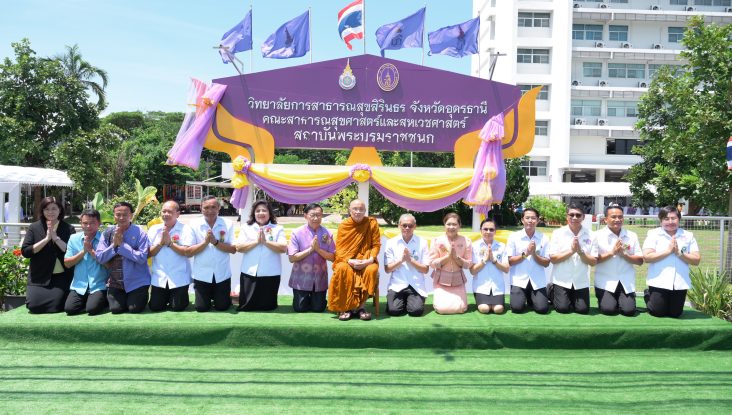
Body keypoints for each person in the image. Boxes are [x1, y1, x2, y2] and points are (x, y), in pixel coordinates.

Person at [642, 206, 701, 318]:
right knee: (657, 312)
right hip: (658, 281)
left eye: (673, 218)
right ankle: (647, 295)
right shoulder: (653, 234)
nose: (670, 222)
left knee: (675, 314)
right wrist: (668, 251)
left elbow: (696, 260)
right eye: (666, 219)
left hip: (679, 282)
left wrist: (680, 253)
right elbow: (647, 257)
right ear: (661, 221)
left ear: (679, 219)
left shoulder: (688, 236)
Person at [328, 199, 380, 321]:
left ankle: (361, 307)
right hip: (347, 259)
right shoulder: (344, 225)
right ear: (349, 210)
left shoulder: (371, 223)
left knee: (371, 270)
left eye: (361, 209)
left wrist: (369, 260)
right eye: (355, 209)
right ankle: (346, 307)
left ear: (365, 210)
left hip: (366, 259)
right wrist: (349, 260)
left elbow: (376, 245)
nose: (358, 212)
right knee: (342, 269)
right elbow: (339, 249)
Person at [20, 196, 75, 313]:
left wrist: (56, 238)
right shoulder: (34, 227)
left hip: (61, 276)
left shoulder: (68, 228)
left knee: (56, 307)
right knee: (33, 306)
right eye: (47, 209)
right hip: (39, 276)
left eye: (54, 208)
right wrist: (46, 239)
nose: (50, 212)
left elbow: (71, 251)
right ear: (42, 211)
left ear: (60, 210)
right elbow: (26, 251)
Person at [96, 202, 151, 314]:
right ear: (114, 215)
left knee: (134, 309)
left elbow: (142, 258)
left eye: (125, 215)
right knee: (116, 309)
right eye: (118, 214)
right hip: (116, 282)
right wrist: (114, 245)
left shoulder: (140, 233)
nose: (121, 218)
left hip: (137, 282)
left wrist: (122, 245)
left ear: (131, 215)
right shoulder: (107, 233)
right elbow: (100, 258)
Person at [591, 205, 643, 316]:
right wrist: (612, 253)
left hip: (625, 281)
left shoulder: (632, 235)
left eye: (620, 217)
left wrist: (624, 255)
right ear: (605, 219)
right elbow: (593, 261)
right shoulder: (596, 236)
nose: (617, 219)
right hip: (605, 281)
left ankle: (625, 301)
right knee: (608, 310)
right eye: (613, 217)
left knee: (629, 311)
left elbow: (640, 261)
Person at [235, 200, 287, 311]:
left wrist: (265, 242)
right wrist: (256, 242)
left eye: (264, 210)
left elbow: (283, 248)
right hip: (249, 272)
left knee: (268, 307)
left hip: (270, 274)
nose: (261, 213)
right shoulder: (246, 227)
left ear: (270, 213)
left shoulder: (277, 228)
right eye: (258, 211)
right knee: (247, 307)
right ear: (253, 213)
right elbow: (239, 247)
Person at [188, 196, 236, 312]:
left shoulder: (228, 224)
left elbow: (233, 249)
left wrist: (215, 242)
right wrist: (205, 242)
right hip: (202, 274)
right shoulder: (193, 224)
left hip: (222, 274)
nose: (210, 211)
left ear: (219, 208)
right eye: (206, 207)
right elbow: (189, 252)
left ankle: (224, 298)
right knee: (201, 308)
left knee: (222, 307)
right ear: (201, 208)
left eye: (213, 207)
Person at [548, 204, 597, 314]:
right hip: (561, 280)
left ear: (583, 217)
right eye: (571, 215)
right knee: (562, 308)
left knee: (583, 310)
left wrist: (580, 252)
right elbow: (553, 259)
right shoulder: (558, 233)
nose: (574, 218)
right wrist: (571, 251)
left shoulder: (591, 235)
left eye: (578, 215)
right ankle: (550, 291)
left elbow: (593, 262)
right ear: (567, 216)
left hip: (581, 281)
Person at [147, 200, 195, 312]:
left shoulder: (185, 229)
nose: (166, 214)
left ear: (178, 214)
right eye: (164, 211)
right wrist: (160, 243)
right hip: (159, 277)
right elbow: (148, 254)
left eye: (170, 212)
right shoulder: (154, 229)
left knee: (178, 307)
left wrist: (170, 244)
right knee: (155, 307)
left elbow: (187, 252)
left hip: (179, 277)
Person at [287, 203, 335, 312]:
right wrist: (310, 250)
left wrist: (318, 250)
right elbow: (292, 258)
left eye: (318, 215)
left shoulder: (327, 233)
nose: (316, 218)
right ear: (305, 216)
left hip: (319, 277)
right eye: (312, 215)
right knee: (300, 308)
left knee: (318, 308)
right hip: (301, 278)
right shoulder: (296, 233)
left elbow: (333, 257)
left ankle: (316, 300)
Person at [63, 209, 109, 315]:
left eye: (92, 223)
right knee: (70, 309)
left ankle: (103, 299)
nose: (88, 226)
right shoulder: (73, 239)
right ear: (81, 223)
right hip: (79, 286)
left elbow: (109, 265)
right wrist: (83, 251)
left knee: (92, 309)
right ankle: (89, 301)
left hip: (98, 285)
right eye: (85, 223)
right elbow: (67, 263)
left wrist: (92, 251)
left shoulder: (105, 239)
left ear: (99, 223)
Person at [383, 213, 430, 317]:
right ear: (399, 226)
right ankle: (401, 301)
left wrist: (410, 260)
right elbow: (387, 269)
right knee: (393, 311)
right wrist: (401, 260)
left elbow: (426, 269)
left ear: (415, 226)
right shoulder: (391, 242)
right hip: (397, 284)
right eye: (404, 225)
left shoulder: (422, 242)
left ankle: (411, 301)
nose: (407, 228)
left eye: (410, 225)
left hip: (415, 285)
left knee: (415, 311)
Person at [507, 208, 551, 314]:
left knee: (542, 309)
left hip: (537, 280)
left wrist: (534, 254)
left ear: (538, 220)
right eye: (527, 218)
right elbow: (510, 261)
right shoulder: (514, 237)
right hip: (519, 280)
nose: (530, 221)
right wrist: (526, 254)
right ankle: (526, 297)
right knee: (517, 308)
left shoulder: (543, 238)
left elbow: (546, 263)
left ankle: (547, 292)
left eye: (533, 218)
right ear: (522, 220)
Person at [428, 212, 472, 315]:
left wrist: (456, 258)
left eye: (454, 224)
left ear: (459, 226)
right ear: (444, 225)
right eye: (448, 224)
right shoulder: (436, 241)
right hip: (441, 280)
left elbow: (468, 264)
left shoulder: (466, 241)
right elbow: (432, 263)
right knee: (441, 309)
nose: (451, 227)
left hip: (458, 280)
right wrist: (447, 257)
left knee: (461, 308)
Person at [470, 219, 510, 314]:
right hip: (481, 286)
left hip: (497, 286)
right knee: (484, 309)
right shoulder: (474, 246)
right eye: (485, 229)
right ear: (481, 230)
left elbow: (506, 269)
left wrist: (494, 260)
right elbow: (472, 271)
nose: (488, 232)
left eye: (491, 229)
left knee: (498, 309)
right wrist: (484, 260)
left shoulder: (502, 246)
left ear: (495, 231)